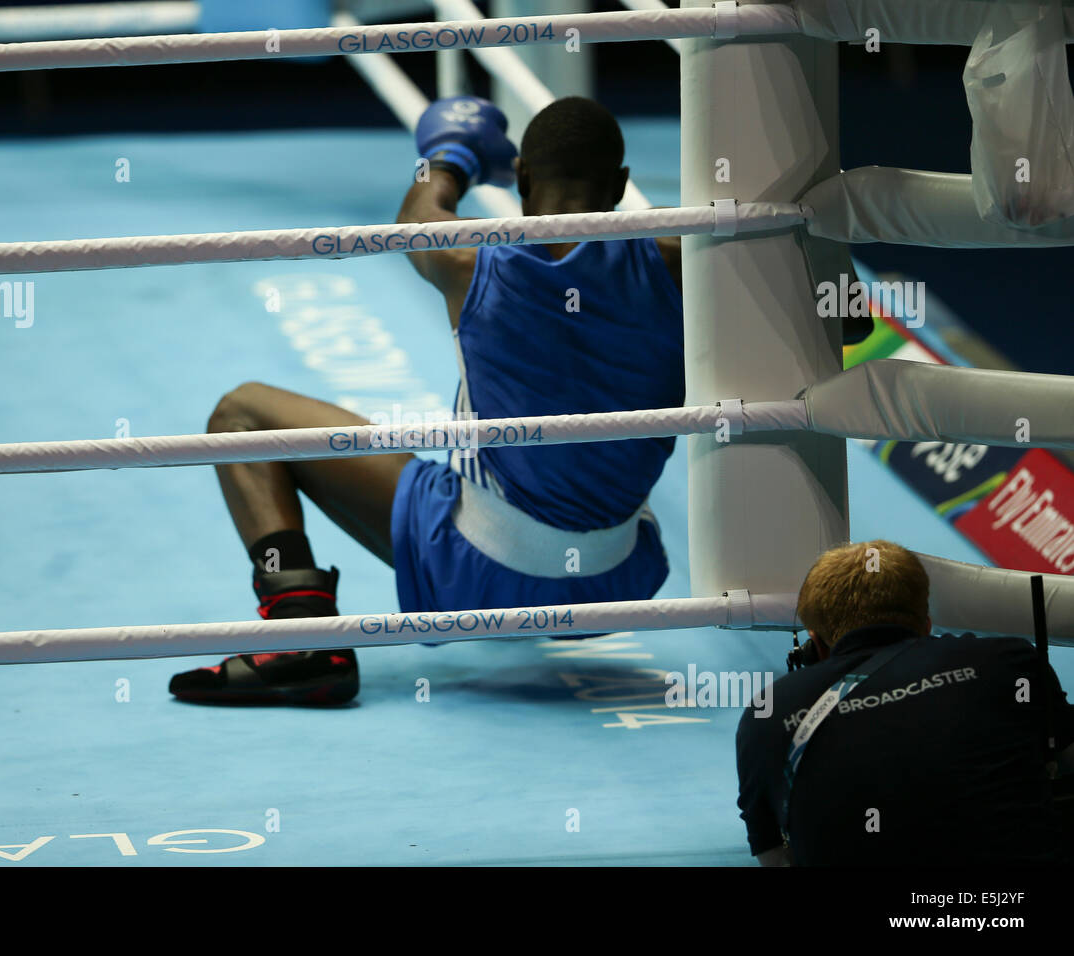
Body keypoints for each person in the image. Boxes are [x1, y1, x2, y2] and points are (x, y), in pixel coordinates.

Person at [168, 96, 684, 706]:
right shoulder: (688, 263)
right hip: (616, 586)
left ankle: (299, 635)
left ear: (520, 179)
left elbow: (418, 211)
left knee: (242, 413)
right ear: (622, 185)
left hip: (476, 573)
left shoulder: (465, 261)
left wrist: (450, 159)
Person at [736, 539, 1074, 865]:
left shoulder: (766, 714)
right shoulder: (1009, 662)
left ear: (814, 646)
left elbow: (772, 855)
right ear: (926, 623)